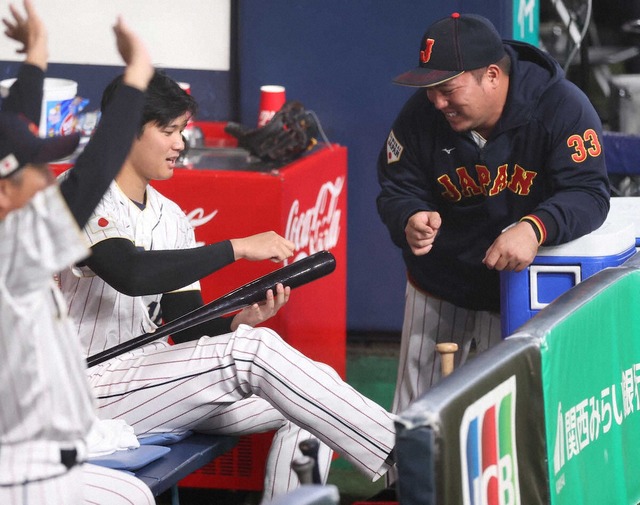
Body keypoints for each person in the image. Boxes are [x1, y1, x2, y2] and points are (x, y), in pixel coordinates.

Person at [58, 70, 396, 501]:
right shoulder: (80, 192)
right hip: (82, 385)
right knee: (256, 353)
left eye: (182, 130)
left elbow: (185, 324)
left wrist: (239, 321)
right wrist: (236, 247)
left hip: (145, 380)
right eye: (169, 131)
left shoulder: (171, 216)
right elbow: (129, 272)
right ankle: (405, 452)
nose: (181, 144)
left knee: (310, 399)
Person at [376, 13, 610, 415]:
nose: (436, 101)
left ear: (491, 76)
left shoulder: (560, 107)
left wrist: (536, 227)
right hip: (439, 286)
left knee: (502, 419)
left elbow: (589, 192)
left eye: (447, 88)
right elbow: (397, 186)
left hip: (517, 289)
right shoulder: (422, 115)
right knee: (415, 417)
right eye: (430, 89)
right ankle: (406, 482)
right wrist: (409, 215)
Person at [0, 1, 156, 504]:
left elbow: (10, 130)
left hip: (41, 460)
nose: (50, 176)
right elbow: (88, 179)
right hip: (21, 475)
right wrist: (136, 79)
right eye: (38, 170)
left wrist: (37, 55)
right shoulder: (12, 253)